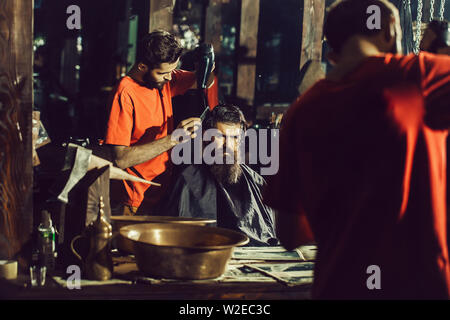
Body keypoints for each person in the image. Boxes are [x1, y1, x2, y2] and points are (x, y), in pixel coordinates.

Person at [264, 0, 450, 299]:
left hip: (337, 286)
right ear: (389, 27)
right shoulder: (417, 76)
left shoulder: (301, 111)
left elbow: (289, 234)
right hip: (415, 286)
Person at [103, 30, 213, 215]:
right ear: (142, 66)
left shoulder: (162, 80)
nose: (170, 77)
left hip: (160, 193)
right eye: (164, 72)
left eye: (172, 70)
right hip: (132, 199)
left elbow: (203, 81)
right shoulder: (124, 93)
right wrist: (173, 139)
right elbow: (120, 159)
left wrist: (206, 64)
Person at [162, 104, 278, 246]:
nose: (228, 145)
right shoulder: (187, 181)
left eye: (234, 137)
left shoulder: (255, 182)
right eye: (220, 137)